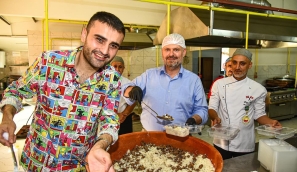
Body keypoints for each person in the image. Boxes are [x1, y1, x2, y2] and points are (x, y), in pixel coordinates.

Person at [0, 11, 125, 172]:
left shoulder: (112, 80)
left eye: (113, 45)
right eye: (99, 39)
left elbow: (110, 121)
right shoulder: (49, 62)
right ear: (84, 34)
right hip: (37, 163)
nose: (105, 51)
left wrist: (100, 146)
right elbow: (16, 91)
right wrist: (7, 116)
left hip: (77, 167)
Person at [122, 33, 208, 131]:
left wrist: (194, 119)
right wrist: (132, 90)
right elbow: (125, 88)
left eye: (176, 50)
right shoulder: (149, 75)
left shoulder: (194, 80)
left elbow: (202, 110)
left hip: (181, 138)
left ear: (184, 52)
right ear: (162, 52)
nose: (171, 54)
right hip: (149, 136)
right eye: (167, 50)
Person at [208, 48, 281, 160]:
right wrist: (215, 117)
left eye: (242, 63)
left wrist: (271, 122)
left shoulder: (258, 89)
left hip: (244, 141)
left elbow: (259, 115)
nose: (237, 67)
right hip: (221, 140)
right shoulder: (219, 84)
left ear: (250, 65)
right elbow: (212, 108)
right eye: (234, 62)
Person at [110, 56, 136, 135]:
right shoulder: (104, 81)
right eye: (115, 66)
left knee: (125, 142)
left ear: (123, 68)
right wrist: (114, 115)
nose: (117, 69)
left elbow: (133, 101)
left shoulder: (128, 83)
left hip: (124, 119)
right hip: (107, 118)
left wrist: (124, 114)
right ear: (110, 67)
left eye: (120, 67)